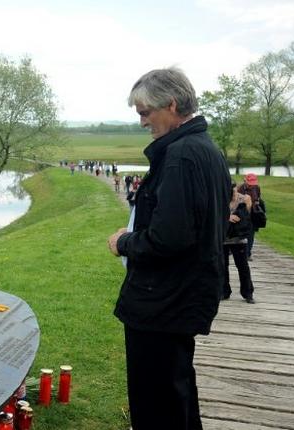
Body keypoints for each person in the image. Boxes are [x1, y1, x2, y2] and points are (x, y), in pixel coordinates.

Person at [107, 67, 231, 430]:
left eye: (145, 112)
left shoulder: (180, 156)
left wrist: (123, 242)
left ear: (171, 104)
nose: (142, 121)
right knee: (176, 390)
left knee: (155, 402)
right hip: (183, 294)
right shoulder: (206, 149)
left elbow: (168, 238)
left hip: (162, 300)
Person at [223, 182, 255, 303]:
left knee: (242, 266)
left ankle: (248, 293)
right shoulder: (220, 199)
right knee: (222, 266)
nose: (234, 195)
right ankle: (224, 291)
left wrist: (248, 204)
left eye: (235, 191)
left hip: (239, 238)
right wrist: (227, 217)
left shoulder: (244, 199)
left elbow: (248, 217)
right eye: (232, 192)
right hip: (223, 238)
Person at [237, 173, 261, 260]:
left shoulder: (257, 188)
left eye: (253, 183)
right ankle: (240, 252)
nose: (252, 185)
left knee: (251, 234)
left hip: (253, 214)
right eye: (250, 183)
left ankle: (248, 253)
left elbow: (258, 198)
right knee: (242, 233)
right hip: (242, 214)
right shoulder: (240, 188)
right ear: (245, 181)